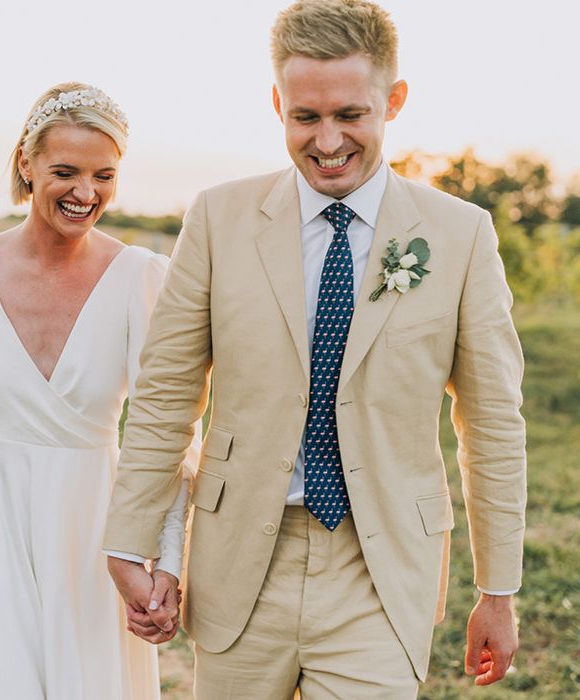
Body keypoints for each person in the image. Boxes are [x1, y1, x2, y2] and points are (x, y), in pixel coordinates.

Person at [104, 1, 527, 697]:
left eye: (350, 115)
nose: (327, 141)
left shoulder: (461, 236)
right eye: (305, 117)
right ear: (278, 104)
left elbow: (492, 423)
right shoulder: (217, 218)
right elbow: (166, 393)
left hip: (382, 569)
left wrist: (498, 589)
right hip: (241, 558)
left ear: (394, 101)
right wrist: (131, 537)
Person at [0, 82, 196, 699]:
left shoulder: (141, 277)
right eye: (66, 171)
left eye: (104, 176)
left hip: (100, 527)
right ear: (26, 164)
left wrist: (164, 562)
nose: (86, 193)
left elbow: (165, 434)